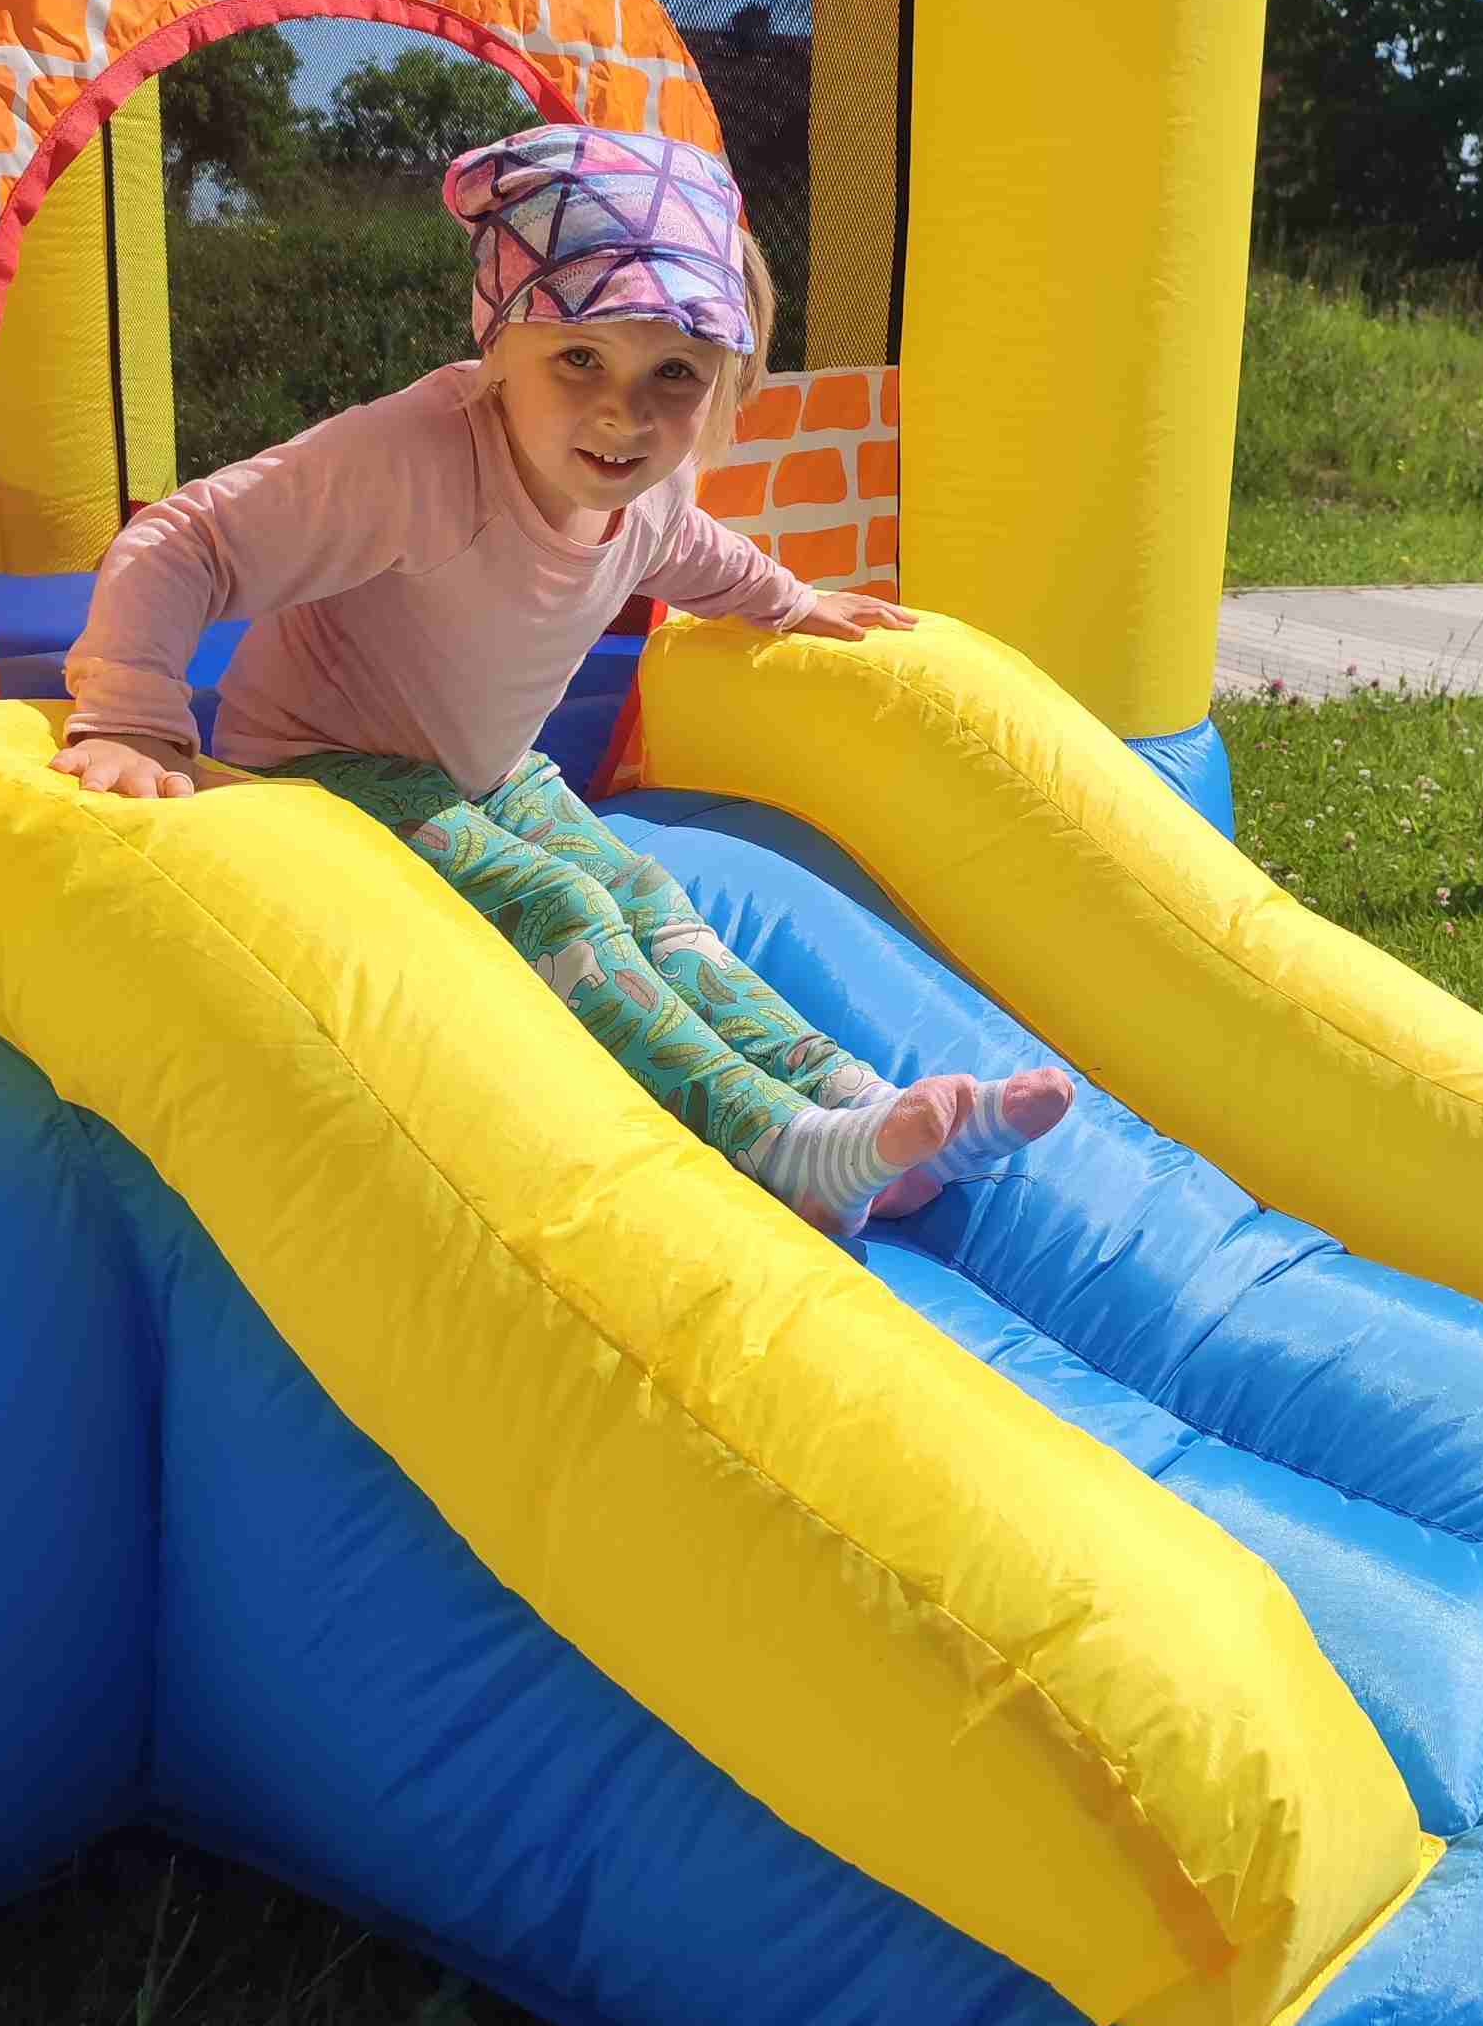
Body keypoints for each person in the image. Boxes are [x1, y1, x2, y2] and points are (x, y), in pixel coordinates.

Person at [54, 123, 1073, 1237]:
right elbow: (187, 540)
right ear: (500, 348)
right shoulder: (416, 462)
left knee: (648, 898)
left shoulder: (652, 486)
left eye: (673, 374)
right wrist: (134, 719)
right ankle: (780, 1145)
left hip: (487, 770)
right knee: (560, 905)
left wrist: (790, 603)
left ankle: (858, 1101)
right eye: (579, 358)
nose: (623, 412)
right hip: (319, 768)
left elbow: (693, 553)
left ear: (724, 384)